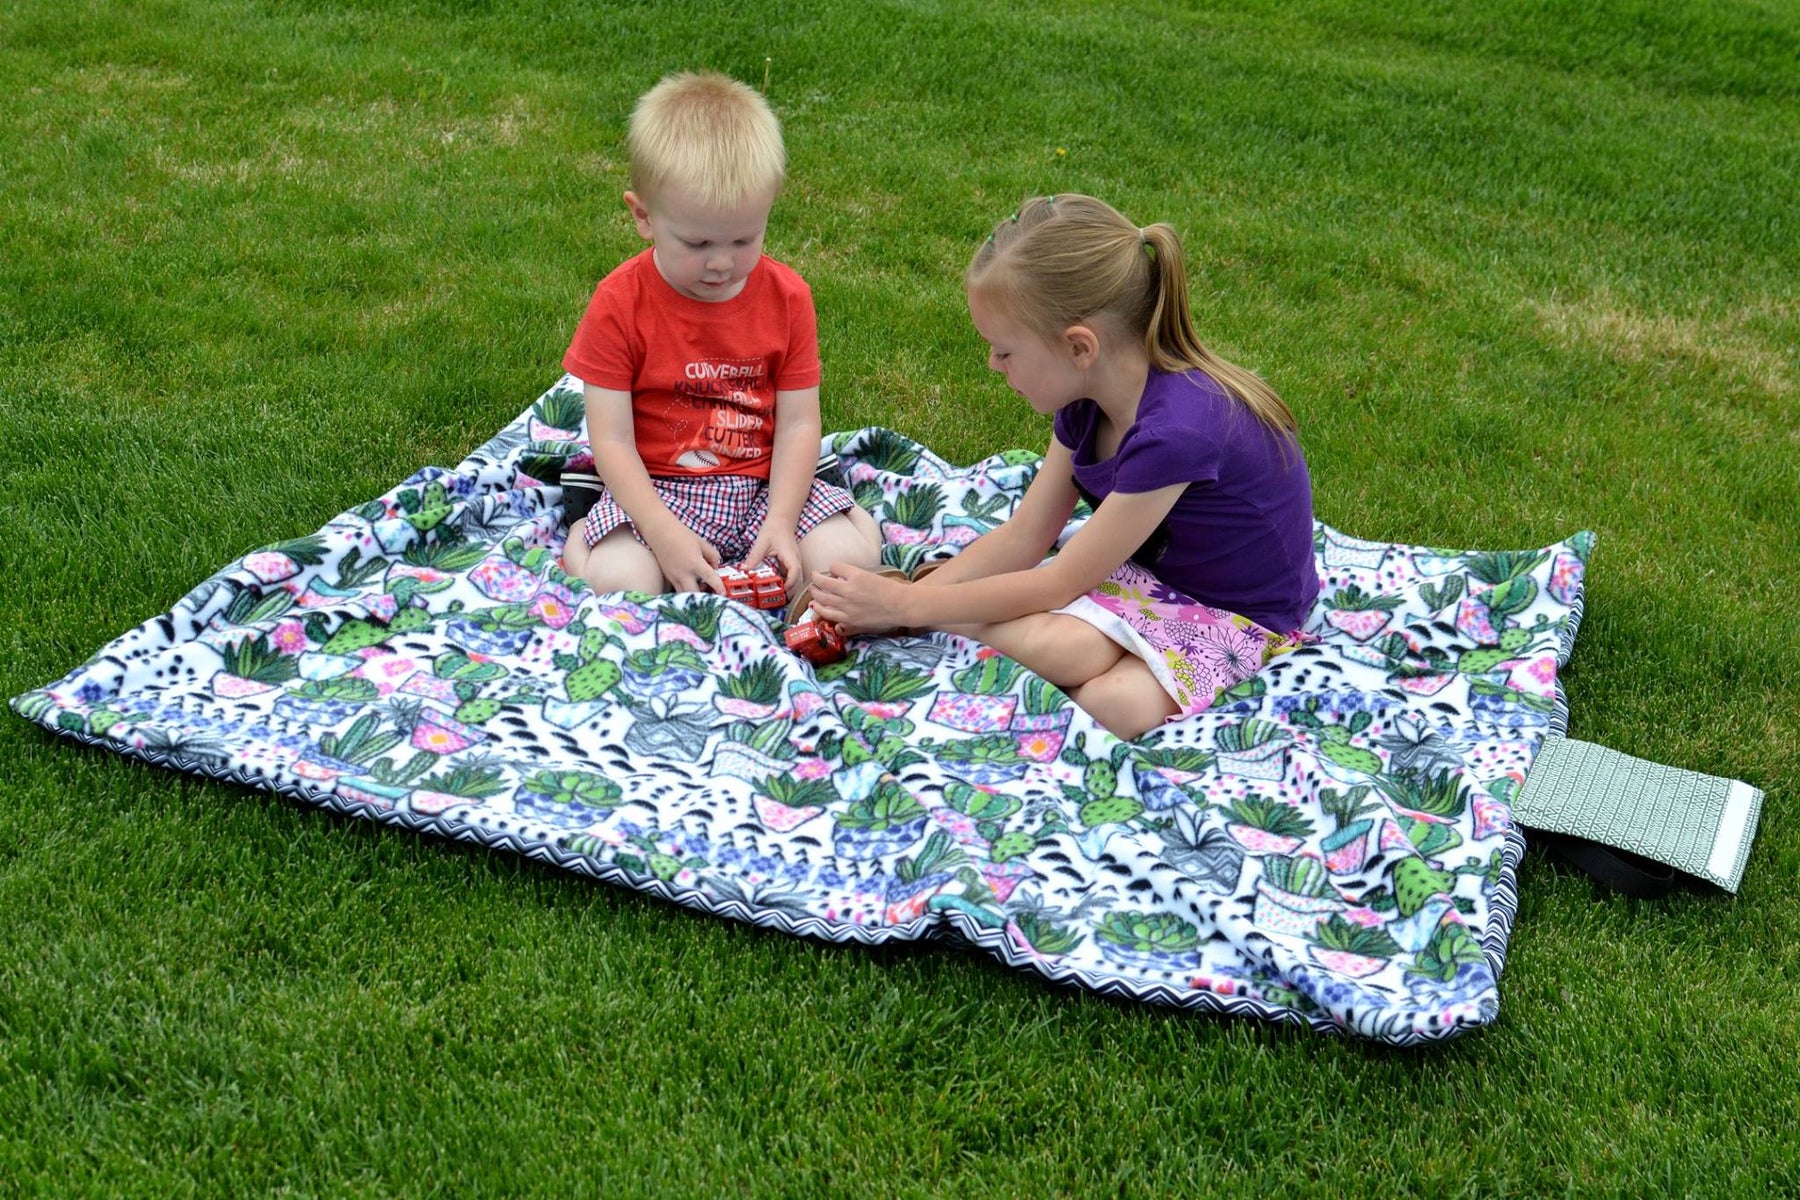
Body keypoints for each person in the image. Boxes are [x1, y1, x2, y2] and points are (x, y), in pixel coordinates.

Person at [808, 194, 1319, 740]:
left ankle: (935, 609)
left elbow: (1060, 580)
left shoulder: (1178, 433)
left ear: (1079, 347)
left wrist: (904, 606)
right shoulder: (1086, 403)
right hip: (1149, 583)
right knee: (1067, 654)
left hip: (1237, 614)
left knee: (1107, 702)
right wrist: (904, 594)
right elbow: (1027, 536)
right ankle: (934, 605)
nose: (993, 365)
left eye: (1004, 351)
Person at [560, 71, 881, 601]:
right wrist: (664, 537)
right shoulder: (620, 303)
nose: (722, 262)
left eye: (744, 237)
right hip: (657, 490)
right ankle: (582, 541)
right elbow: (612, 440)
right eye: (698, 240)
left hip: (763, 488)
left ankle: (858, 527)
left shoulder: (788, 298)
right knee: (626, 586)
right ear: (643, 216)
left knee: (848, 564)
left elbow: (800, 423)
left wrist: (781, 522)